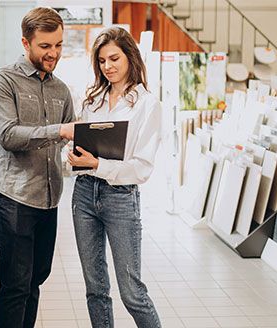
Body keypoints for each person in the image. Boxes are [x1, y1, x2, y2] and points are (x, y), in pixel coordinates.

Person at [0, 7, 76, 328]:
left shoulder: (60, 90)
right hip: (13, 196)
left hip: (48, 197)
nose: (54, 54)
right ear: (26, 43)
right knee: (16, 284)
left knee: (36, 279)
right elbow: (8, 135)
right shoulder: (2, 82)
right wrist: (59, 132)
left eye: (59, 45)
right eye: (45, 46)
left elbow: (69, 134)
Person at [67, 27, 162, 328]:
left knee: (132, 292)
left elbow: (142, 168)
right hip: (83, 193)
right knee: (95, 289)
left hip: (120, 197)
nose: (107, 67)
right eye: (101, 61)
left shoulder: (147, 105)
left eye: (114, 59)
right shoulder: (91, 100)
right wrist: (73, 157)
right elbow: (79, 144)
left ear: (130, 57)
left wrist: (99, 164)